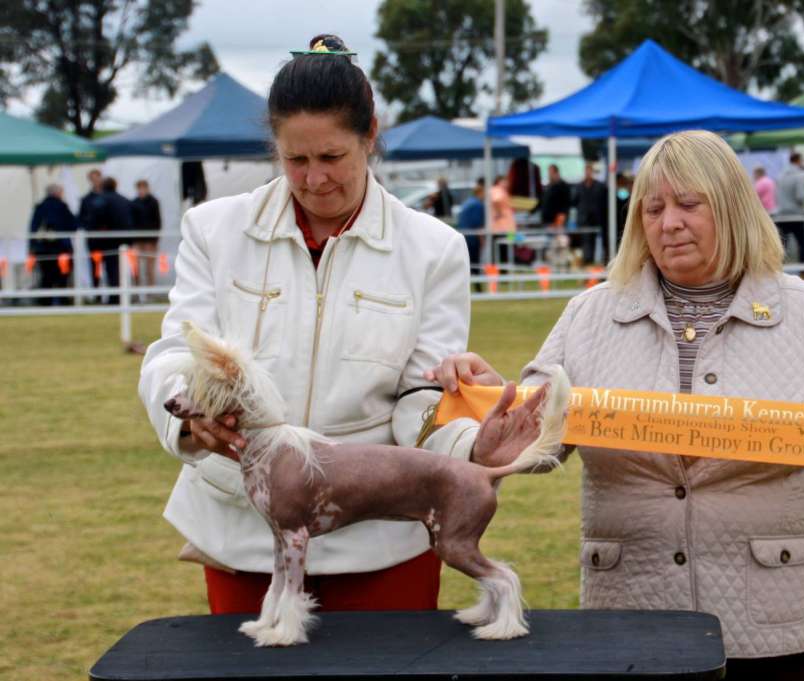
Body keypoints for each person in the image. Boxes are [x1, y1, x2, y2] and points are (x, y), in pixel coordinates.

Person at [428, 131, 804, 680]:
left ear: (733, 208)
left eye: (689, 204)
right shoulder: (588, 315)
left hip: (778, 622)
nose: (668, 224)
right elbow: (537, 439)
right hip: (630, 612)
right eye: (652, 208)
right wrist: (493, 404)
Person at [138, 33, 532, 616]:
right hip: (244, 536)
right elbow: (175, 354)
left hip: (384, 545)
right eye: (295, 159)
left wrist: (471, 443)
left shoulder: (434, 248)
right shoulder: (212, 230)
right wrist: (190, 418)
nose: (313, 179)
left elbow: (420, 397)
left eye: (332, 158)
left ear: (370, 135)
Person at [28, 184, 76, 305]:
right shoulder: (62, 207)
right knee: (63, 275)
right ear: (57, 193)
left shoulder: (40, 207)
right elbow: (73, 225)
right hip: (61, 248)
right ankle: (63, 300)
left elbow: (33, 228)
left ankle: (45, 301)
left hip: (43, 249)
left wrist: (32, 247)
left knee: (46, 276)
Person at [96, 177, 135, 304]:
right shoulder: (124, 200)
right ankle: (122, 296)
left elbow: (97, 218)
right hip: (125, 240)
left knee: (110, 269)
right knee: (122, 268)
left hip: (108, 240)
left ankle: (115, 297)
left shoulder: (101, 200)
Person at [775, 152, 804, 266]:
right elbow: (800, 196)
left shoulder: (780, 175)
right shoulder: (799, 175)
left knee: (782, 246)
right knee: (802, 244)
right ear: (798, 160)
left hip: (782, 215)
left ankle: (778, 269)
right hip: (796, 215)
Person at [131, 179, 162, 293]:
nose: (142, 190)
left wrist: (155, 239)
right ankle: (137, 290)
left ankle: (150, 290)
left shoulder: (153, 202)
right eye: (140, 188)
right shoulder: (134, 203)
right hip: (138, 240)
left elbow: (158, 221)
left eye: (143, 188)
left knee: (149, 267)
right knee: (136, 267)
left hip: (150, 240)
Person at [573, 163, 608, 263]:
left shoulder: (600, 186)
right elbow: (575, 201)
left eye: (589, 171)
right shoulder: (579, 186)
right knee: (585, 241)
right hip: (584, 219)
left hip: (597, 219)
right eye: (586, 171)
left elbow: (604, 201)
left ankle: (597, 260)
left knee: (597, 241)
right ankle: (587, 260)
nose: (588, 173)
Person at [79, 169, 107, 293]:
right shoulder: (86, 199)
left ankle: (114, 295)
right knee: (94, 264)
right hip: (93, 238)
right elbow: (81, 217)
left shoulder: (108, 196)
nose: (96, 181)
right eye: (93, 179)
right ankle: (95, 292)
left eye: (97, 178)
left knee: (111, 266)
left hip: (108, 237)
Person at [457, 177, 485, 289]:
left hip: (464, 236)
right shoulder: (478, 205)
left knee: (468, 263)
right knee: (475, 262)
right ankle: (478, 286)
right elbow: (477, 224)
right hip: (473, 238)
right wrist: (482, 239)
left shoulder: (467, 203)